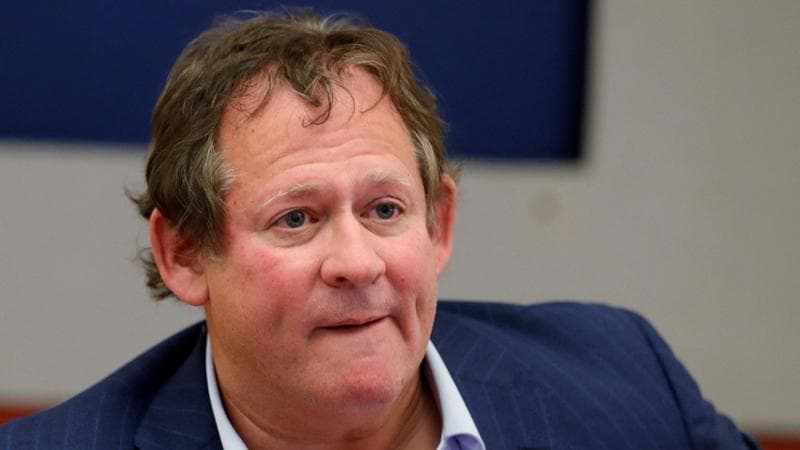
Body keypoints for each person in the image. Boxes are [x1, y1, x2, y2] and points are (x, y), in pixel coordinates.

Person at [0, 10, 760, 450]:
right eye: (297, 218)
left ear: (440, 225)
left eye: (385, 210)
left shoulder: (623, 382)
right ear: (186, 254)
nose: (357, 263)